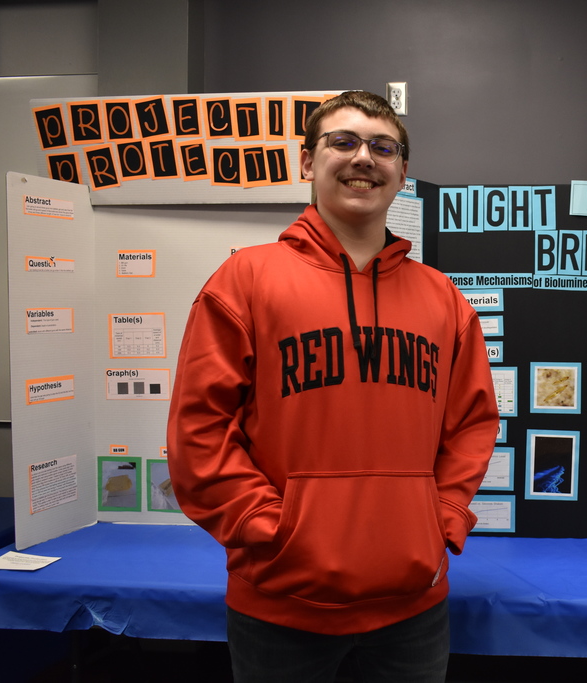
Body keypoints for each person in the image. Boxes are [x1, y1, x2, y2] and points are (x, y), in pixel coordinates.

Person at [166, 90, 499, 682]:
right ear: (305, 162)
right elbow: (199, 428)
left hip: (413, 608)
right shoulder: (246, 279)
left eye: (382, 147)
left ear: (402, 172)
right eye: (342, 141)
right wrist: (266, 526)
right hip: (282, 605)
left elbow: (472, 423)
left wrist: (443, 512)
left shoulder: (442, 298)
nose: (363, 158)